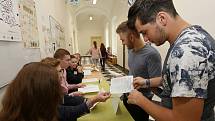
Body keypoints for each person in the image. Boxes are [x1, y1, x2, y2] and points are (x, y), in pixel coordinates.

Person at [127, 0, 215, 121]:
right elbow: (177, 79)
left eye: (144, 32)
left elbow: (184, 119)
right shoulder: (193, 36)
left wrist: (141, 101)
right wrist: (146, 82)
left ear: (161, 18)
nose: (146, 39)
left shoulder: (187, 51)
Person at [116, 21, 162, 121]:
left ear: (131, 37)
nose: (122, 43)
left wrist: (144, 83)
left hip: (141, 103)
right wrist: (124, 79)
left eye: (123, 40)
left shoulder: (152, 55)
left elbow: (156, 86)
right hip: (128, 97)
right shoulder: (130, 50)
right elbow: (133, 71)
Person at [41, 57, 111, 121]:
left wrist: (88, 99)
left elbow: (64, 99)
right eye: (59, 71)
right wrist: (94, 100)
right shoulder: (46, 95)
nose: (62, 75)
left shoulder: (52, 89)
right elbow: (66, 112)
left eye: (61, 71)